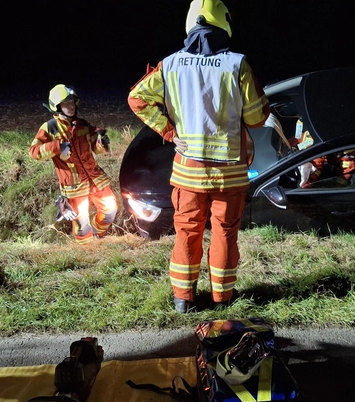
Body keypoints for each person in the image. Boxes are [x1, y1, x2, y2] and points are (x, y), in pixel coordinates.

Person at [128, 0, 270, 313]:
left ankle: (183, 300)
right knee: (224, 234)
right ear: (224, 23)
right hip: (229, 175)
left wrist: (169, 132)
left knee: (187, 233)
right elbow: (258, 117)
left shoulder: (171, 64)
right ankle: (223, 299)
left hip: (188, 173)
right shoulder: (237, 64)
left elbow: (137, 99)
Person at [29, 84, 118, 243]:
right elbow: (34, 152)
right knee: (82, 225)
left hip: (95, 178)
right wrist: (56, 147)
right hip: (74, 186)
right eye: (65, 104)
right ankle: (86, 251)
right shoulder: (50, 128)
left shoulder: (82, 125)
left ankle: (99, 236)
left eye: (72, 102)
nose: (70, 107)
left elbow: (95, 147)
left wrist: (101, 142)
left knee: (110, 210)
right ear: (56, 106)